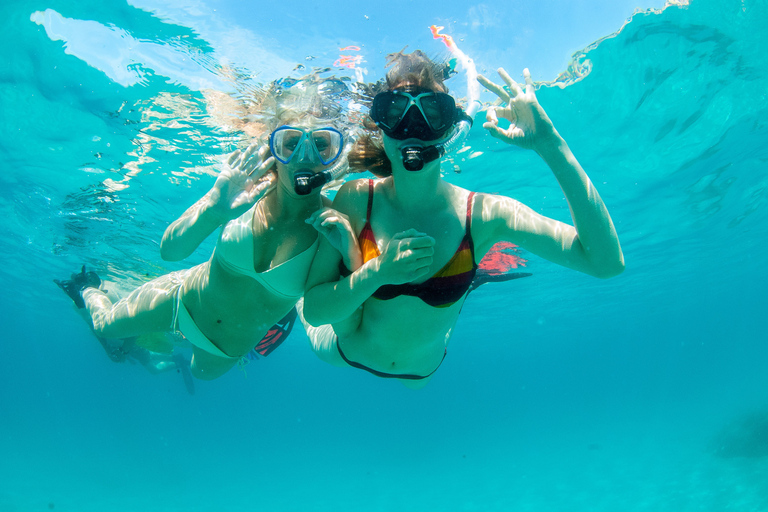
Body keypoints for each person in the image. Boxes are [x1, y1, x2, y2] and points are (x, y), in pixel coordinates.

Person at [302, 50, 625, 388]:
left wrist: (549, 143)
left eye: (432, 112)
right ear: (380, 126)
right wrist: (378, 272)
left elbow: (605, 263)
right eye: (395, 111)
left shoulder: (485, 214)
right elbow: (315, 311)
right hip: (346, 351)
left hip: (421, 373)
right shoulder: (357, 198)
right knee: (302, 294)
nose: (413, 128)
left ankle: (461, 276)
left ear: (449, 129)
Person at [56, 81, 360, 380]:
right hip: (179, 299)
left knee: (199, 375)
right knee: (103, 326)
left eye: (321, 144)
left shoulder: (330, 227)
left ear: (335, 155)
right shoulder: (240, 191)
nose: (305, 156)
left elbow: (320, 312)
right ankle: (87, 287)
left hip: (224, 347)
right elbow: (170, 251)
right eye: (291, 143)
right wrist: (214, 209)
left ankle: (155, 347)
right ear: (273, 149)